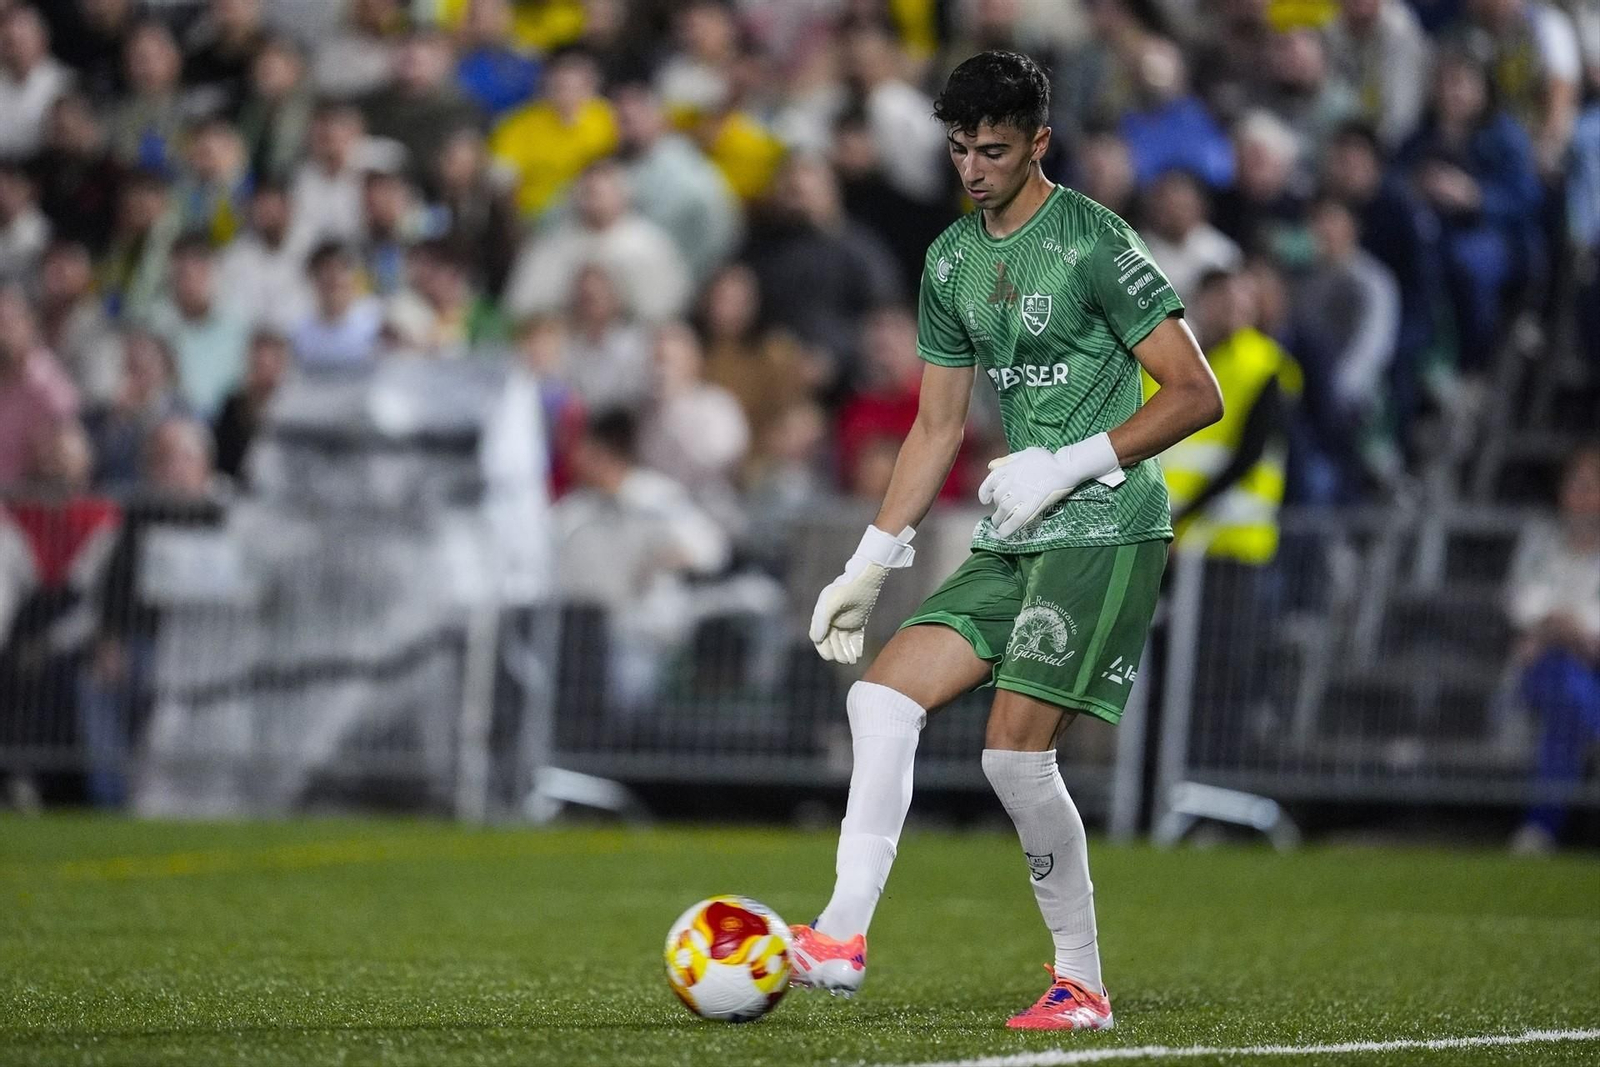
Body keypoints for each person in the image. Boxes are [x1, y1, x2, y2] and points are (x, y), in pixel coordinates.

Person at [791, 51, 1222, 1029]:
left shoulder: (1092, 242)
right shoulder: (949, 259)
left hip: (1105, 525)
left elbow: (1198, 393)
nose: (973, 168)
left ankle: (1081, 983)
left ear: (1039, 142)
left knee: (1012, 760)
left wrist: (1068, 461)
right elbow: (935, 427)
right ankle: (840, 934)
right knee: (881, 697)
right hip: (1018, 530)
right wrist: (870, 561)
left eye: (993, 149)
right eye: (957, 150)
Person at [1505, 443, 1600, 853]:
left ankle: (1542, 826)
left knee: (1574, 690)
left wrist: (1568, 627)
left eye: (1592, 487)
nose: (1582, 497)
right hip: (1544, 667)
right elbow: (1521, 602)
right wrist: (1564, 628)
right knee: (1566, 686)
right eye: (1576, 485)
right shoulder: (1541, 542)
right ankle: (1541, 825)